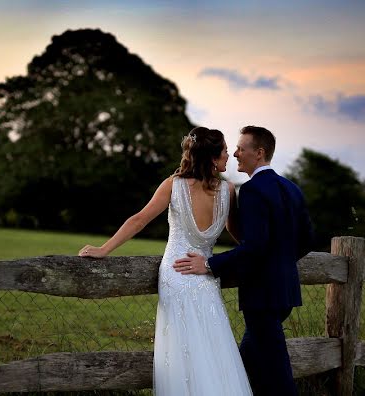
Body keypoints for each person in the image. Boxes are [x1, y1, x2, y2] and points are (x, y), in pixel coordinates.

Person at [79, 126, 253, 395]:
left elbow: (139, 220)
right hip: (205, 273)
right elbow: (236, 232)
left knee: (184, 345)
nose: (229, 155)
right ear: (210, 157)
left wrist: (105, 248)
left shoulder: (174, 184)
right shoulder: (228, 191)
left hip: (177, 274)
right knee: (209, 341)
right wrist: (260, 249)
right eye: (224, 151)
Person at [174, 125, 314, 396]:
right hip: (285, 293)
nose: (236, 153)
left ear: (259, 153)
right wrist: (280, 262)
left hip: (262, 296)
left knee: (278, 372)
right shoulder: (292, 188)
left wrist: (210, 264)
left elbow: (255, 246)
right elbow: (307, 239)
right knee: (244, 364)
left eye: (241, 148)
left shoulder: (251, 191)